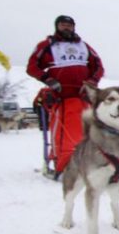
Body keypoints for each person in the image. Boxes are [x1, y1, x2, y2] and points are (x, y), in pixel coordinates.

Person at [27, 15, 104, 177]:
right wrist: (47, 79)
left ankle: (92, 162)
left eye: (69, 25)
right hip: (61, 97)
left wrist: (91, 82)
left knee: (89, 131)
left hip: (83, 96)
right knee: (63, 133)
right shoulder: (46, 46)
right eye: (63, 25)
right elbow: (32, 67)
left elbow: (98, 66)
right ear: (57, 26)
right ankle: (62, 163)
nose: (66, 28)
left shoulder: (84, 46)